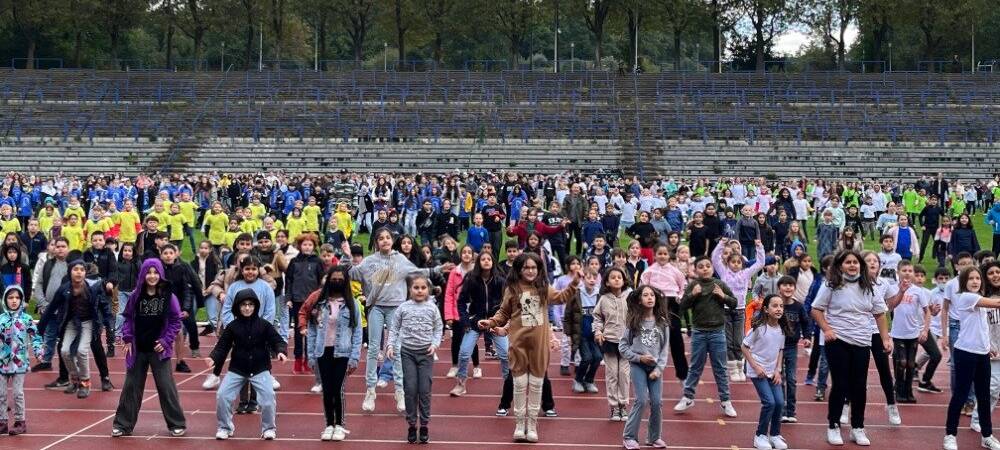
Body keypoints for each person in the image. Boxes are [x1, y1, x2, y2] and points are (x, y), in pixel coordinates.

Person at [478, 252, 578, 443]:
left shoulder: (543, 288)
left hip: (539, 348)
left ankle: (532, 426)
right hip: (518, 347)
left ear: (539, 269)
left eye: (534, 267)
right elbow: (503, 313)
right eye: (526, 267)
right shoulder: (513, 289)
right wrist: (491, 323)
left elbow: (561, 297)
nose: (530, 271)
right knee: (519, 386)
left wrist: (574, 283)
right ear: (519, 269)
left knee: (536, 387)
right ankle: (519, 424)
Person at [349, 228, 452, 414]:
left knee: (396, 349)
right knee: (373, 348)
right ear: (376, 242)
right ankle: (370, 390)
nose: (385, 241)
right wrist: (345, 258)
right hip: (376, 307)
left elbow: (418, 271)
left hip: (396, 307)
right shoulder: (369, 262)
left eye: (388, 238)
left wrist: (437, 269)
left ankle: (399, 390)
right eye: (381, 238)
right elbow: (352, 273)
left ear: (392, 240)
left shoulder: (400, 260)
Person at [811, 250, 891, 446]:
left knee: (859, 386)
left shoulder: (869, 285)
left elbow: (880, 314)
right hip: (838, 340)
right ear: (840, 265)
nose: (853, 265)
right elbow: (816, 309)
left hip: (862, 342)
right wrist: (827, 329)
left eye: (856, 262)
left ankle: (858, 427)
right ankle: (834, 425)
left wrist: (885, 339)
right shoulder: (831, 285)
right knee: (840, 384)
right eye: (848, 262)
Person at [111, 258, 186, 438]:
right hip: (138, 349)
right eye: (148, 272)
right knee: (131, 387)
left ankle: (177, 423)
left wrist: (166, 341)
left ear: (160, 274)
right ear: (143, 274)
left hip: (159, 350)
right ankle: (123, 424)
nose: (152, 276)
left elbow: (176, 321)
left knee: (166, 387)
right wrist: (127, 338)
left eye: (155, 272)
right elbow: (128, 317)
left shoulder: (169, 296)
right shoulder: (136, 295)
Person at [208, 288, 287, 440]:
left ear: (255, 306)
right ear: (237, 306)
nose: (247, 307)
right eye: (243, 304)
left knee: (268, 397)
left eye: (251, 304)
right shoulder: (232, 327)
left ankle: (268, 428)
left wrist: (281, 351)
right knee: (222, 395)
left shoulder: (264, 325)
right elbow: (222, 346)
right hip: (237, 369)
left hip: (260, 368)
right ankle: (225, 427)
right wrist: (214, 357)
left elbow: (277, 340)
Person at [299, 266, 363, 441]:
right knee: (327, 390)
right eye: (333, 279)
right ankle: (329, 424)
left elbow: (357, 331)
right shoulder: (319, 303)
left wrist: (355, 357)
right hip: (322, 351)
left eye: (340, 279)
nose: (336, 282)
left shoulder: (352, 304)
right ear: (328, 281)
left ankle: (340, 425)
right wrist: (311, 355)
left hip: (343, 352)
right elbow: (312, 331)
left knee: (338, 389)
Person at [942, 266, 1000, 450]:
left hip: (982, 354)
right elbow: (997, 303)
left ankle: (987, 435)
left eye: (977, 278)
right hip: (965, 353)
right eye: (971, 278)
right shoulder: (966, 297)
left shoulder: (979, 301)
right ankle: (950, 435)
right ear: (964, 282)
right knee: (960, 394)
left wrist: (987, 346)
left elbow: (981, 326)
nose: (975, 281)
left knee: (983, 396)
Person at [36, 259, 112, 399]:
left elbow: (104, 306)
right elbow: (51, 308)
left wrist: (109, 323)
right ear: (70, 272)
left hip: (88, 322)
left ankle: (85, 382)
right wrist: (39, 329)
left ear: (85, 273)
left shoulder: (92, 288)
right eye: (75, 269)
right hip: (71, 323)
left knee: (82, 351)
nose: (78, 272)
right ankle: (75, 379)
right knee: (65, 351)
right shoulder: (64, 289)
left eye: (82, 270)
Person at [675, 255, 739, 417]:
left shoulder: (719, 284)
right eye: (701, 266)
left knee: (721, 368)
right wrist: (692, 295)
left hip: (718, 332)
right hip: (699, 332)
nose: (705, 268)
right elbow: (682, 307)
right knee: (696, 366)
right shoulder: (693, 285)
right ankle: (688, 397)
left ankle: (726, 401)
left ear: (712, 268)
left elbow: (734, 303)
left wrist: (723, 297)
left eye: (708, 266)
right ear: (695, 270)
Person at [386, 274, 443, 444]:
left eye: (423, 288)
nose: (419, 290)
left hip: (426, 354)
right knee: (410, 389)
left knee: (424, 389)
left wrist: (435, 344)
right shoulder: (403, 308)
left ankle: (424, 424)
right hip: (407, 353)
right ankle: (412, 424)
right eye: (416, 287)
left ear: (428, 290)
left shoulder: (432, 308)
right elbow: (394, 329)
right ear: (410, 289)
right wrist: (390, 345)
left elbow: (438, 328)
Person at [450, 251, 507, 397]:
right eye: (483, 259)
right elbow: (461, 301)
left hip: (495, 321)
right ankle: (461, 384)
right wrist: (465, 320)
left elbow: (508, 302)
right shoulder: (471, 279)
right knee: (463, 354)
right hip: (476, 321)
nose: (486, 261)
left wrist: (503, 321)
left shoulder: (500, 280)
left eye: (489, 259)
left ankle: (508, 385)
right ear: (478, 262)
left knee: (506, 354)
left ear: (493, 262)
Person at [619, 285, 669, 450]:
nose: (650, 298)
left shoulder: (662, 323)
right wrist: (639, 358)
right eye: (645, 295)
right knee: (641, 400)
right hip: (638, 366)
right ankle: (629, 437)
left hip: (655, 369)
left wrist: (659, 369)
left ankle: (654, 437)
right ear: (639, 300)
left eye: (652, 295)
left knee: (656, 402)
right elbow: (623, 347)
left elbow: (664, 350)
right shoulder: (633, 322)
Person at [743, 294, 790, 450]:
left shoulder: (781, 330)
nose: (779, 309)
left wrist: (778, 370)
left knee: (779, 402)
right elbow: (744, 347)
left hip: (772, 371)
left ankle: (775, 435)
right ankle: (760, 435)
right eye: (775, 306)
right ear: (766, 309)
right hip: (758, 371)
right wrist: (756, 367)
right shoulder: (759, 328)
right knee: (769, 402)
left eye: (781, 306)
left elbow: (780, 350)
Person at [0, 286, 43, 435]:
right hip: (3, 363)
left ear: (21, 300)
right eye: (10, 298)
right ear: (5, 300)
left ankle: (20, 421)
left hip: (19, 363)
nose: (14, 301)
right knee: (1, 393)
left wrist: (38, 352)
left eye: (17, 298)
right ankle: (2, 421)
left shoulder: (27, 319)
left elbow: (36, 337)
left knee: (18, 393)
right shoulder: (1, 319)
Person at [593, 266, 632, 421]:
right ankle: (614, 407)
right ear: (607, 282)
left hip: (626, 342)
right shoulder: (603, 299)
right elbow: (597, 317)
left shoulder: (630, 297)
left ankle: (623, 405)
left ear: (624, 280)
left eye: (619, 277)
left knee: (624, 374)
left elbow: (637, 316)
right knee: (612, 375)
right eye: (613, 277)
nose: (617, 279)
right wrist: (598, 332)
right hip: (609, 341)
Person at [887, 261, 930, 404]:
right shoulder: (893, 288)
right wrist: (901, 291)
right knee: (902, 362)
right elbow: (890, 307)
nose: (907, 273)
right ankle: (899, 390)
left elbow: (926, 311)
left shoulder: (918, 291)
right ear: (898, 272)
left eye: (910, 270)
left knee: (911, 364)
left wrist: (925, 330)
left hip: (913, 333)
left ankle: (909, 391)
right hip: (898, 333)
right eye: (904, 270)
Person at [563, 268, 602, 393]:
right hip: (581, 334)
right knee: (587, 358)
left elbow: (603, 315)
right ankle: (578, 380)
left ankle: (589, 380)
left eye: (594, 278)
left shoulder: (599, 295)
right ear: (583, 279)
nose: (592, 280)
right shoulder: (576, 294)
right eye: (589, 277)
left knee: (597, 357)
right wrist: (568, 334)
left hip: (594, 333)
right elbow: (568, 315)